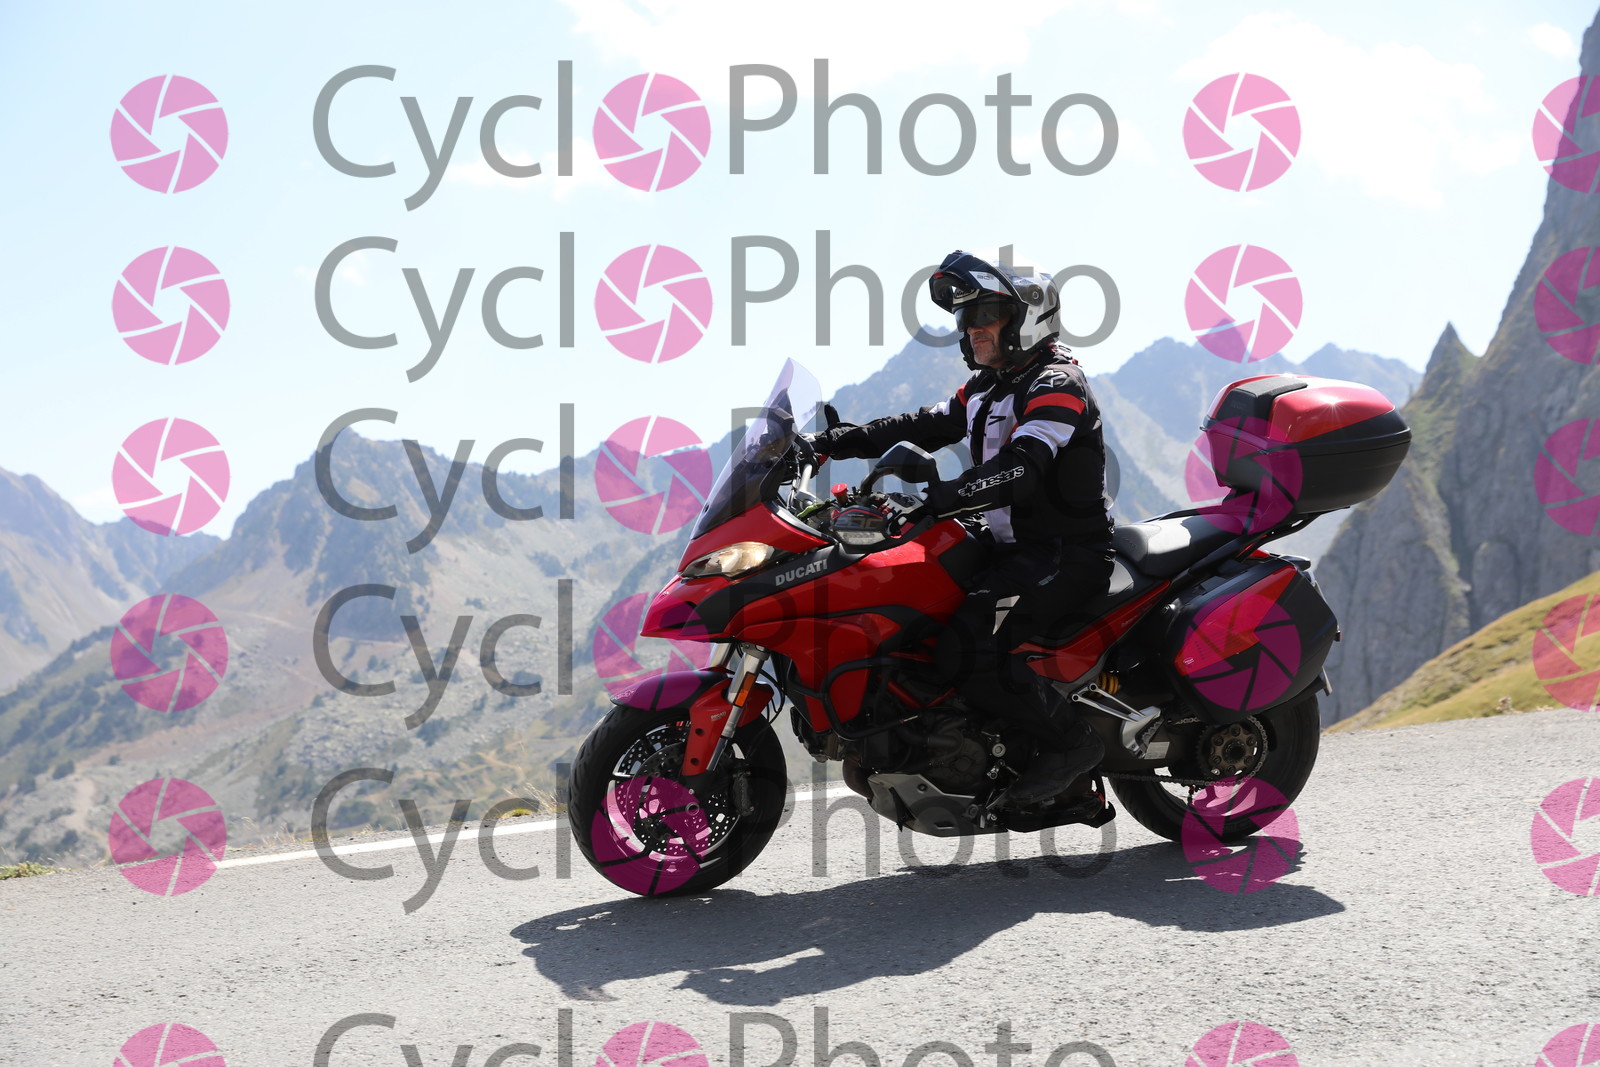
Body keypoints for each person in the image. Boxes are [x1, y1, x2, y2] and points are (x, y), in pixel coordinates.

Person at [804, 250, 1115, 806]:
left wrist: (942, 497)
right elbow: (919, 425)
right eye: (965, 317)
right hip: (1005, 547)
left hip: (1063, 553)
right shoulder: (986, 388)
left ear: (1029, 316)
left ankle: (1072, 745)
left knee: (966, 648)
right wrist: (829, 442)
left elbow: (1022, 467)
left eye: (986, 314)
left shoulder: (1057, 382)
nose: (971, 328)